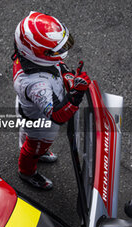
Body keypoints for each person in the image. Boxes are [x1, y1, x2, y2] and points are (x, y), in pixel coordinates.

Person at [12, 11, 91, 190]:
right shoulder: (36, 83)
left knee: (28, 137)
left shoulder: (32, 56)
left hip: (30, 111)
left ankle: (33, 147)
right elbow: (58, 115)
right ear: (38, 52)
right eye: (58, 50)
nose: (63, 52)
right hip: (41, 123)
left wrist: (70, 78)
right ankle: (27, 172)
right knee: (34, 147)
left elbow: (57, 65)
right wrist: (76, 94)